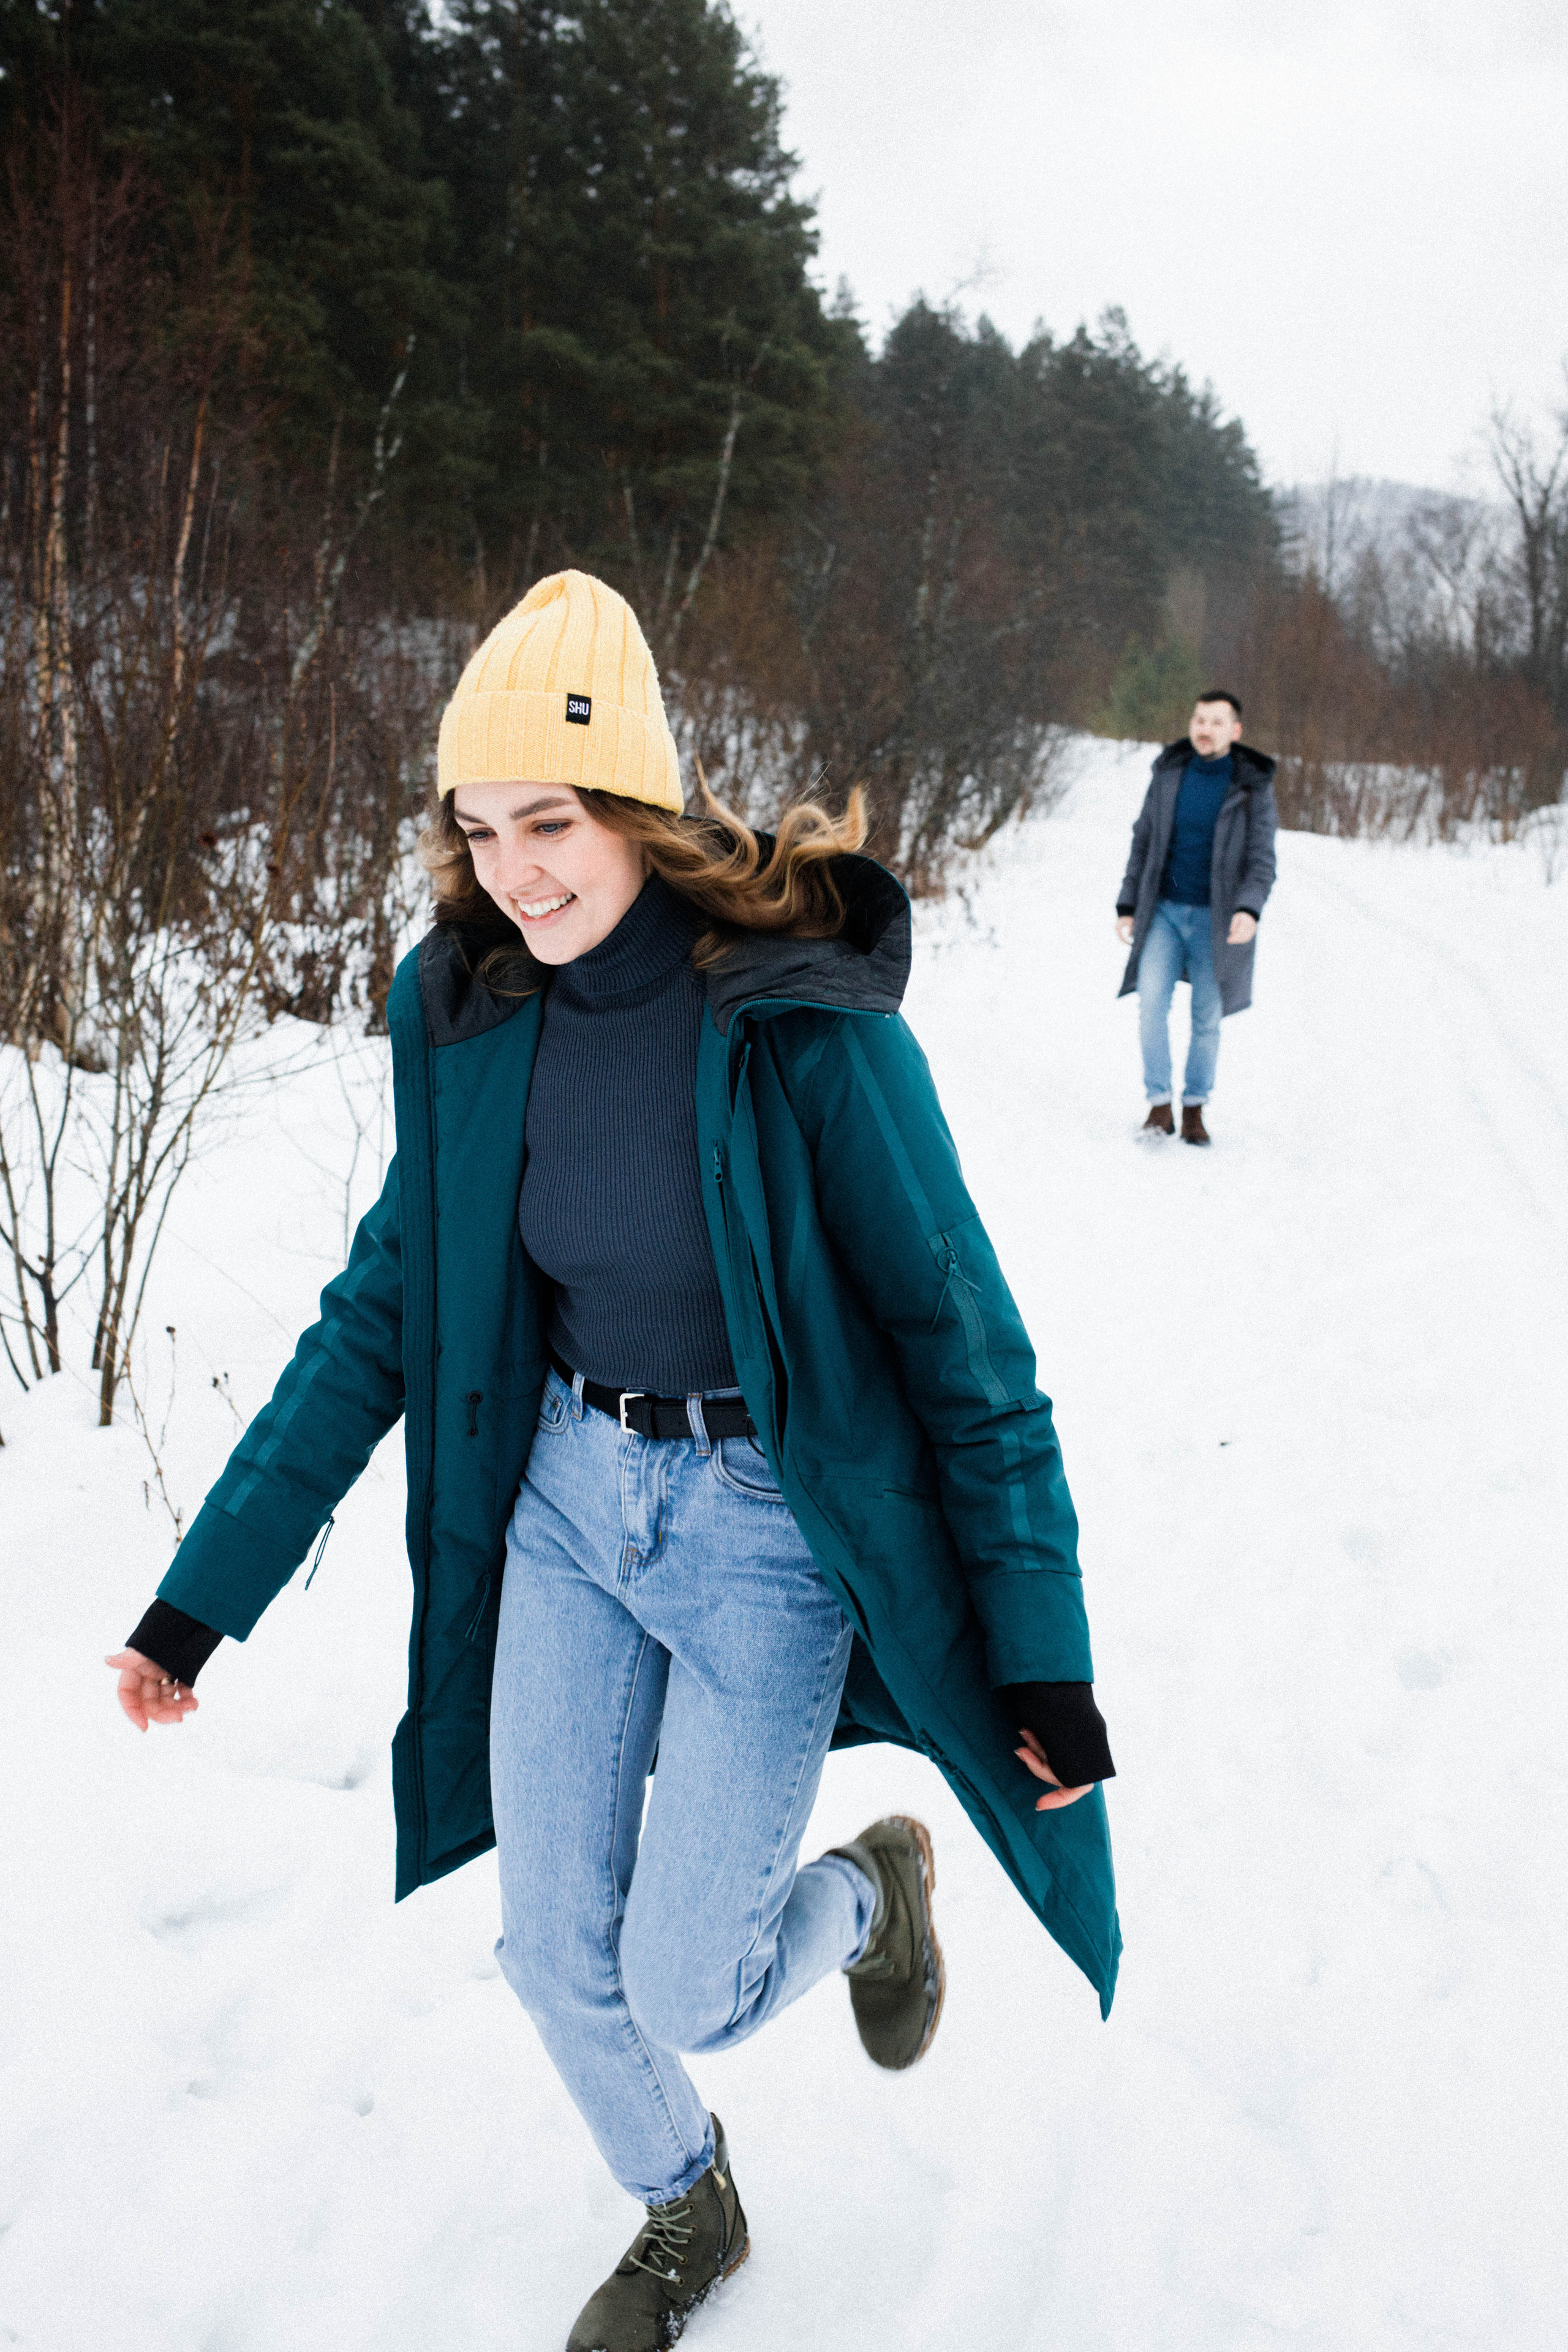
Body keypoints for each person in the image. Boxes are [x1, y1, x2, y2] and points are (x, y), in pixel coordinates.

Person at [105, 571, 1120, 2352]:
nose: (514, 869)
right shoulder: (473, 1012)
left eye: (551, 820)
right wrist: (202, 1599)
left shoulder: (797, 1020)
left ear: (637, 802)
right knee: (549, 1949)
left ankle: (872, 1887)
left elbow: (966, 1344)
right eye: (477, 827)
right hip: (569, 1507)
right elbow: (384, 1310)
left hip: (762, 1538)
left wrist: (1040, 1650)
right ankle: (684, 2195)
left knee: (688, 1982)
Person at [1115, 690, 1279, 1144]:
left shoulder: (1252, 786)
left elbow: (1262, 860)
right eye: (1200, 720)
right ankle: (1159, 1104)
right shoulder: (1170, 772)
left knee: (1207, 1017)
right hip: (1164, 913)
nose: (1205, 730)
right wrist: (1128, 904)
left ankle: (1194, 1108)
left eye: (1216, 722)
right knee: (1151, 1005)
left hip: (1217, 921)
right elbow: (1143, 839)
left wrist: (1249, 908)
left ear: (1235, 731)